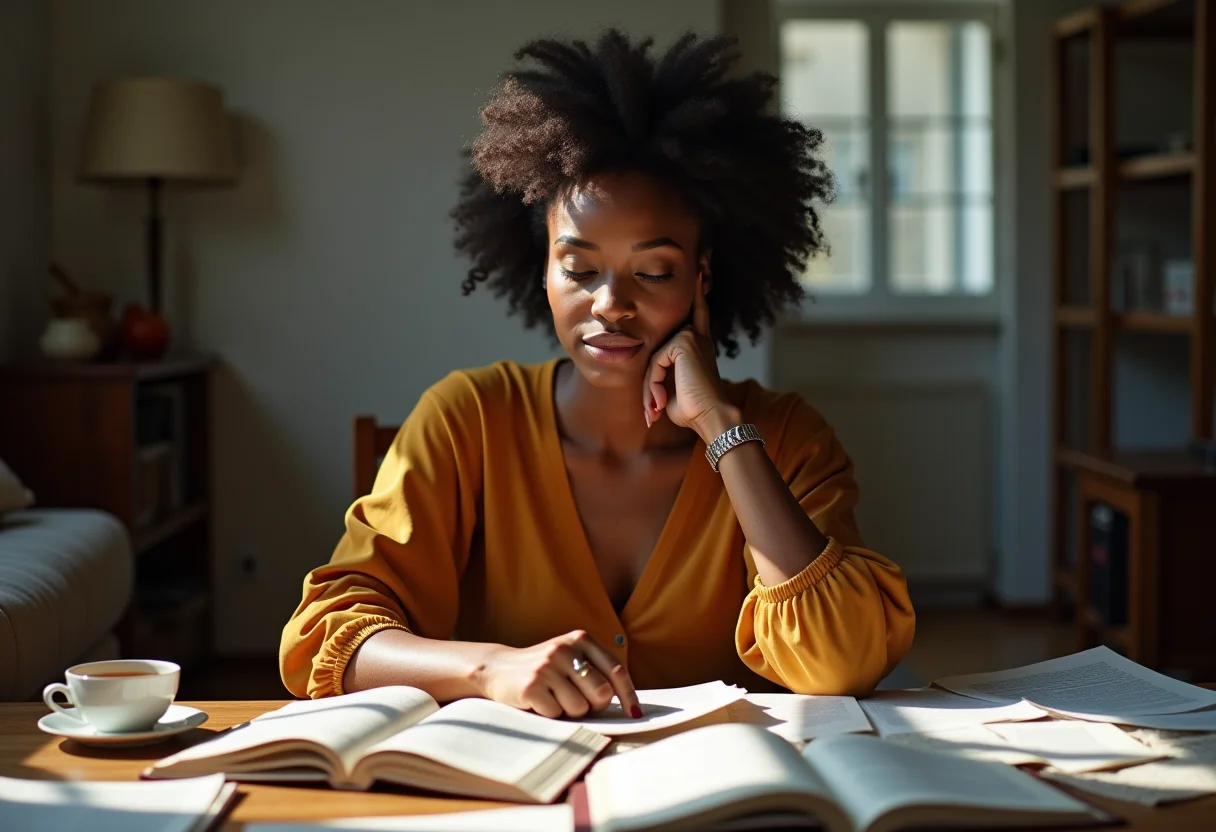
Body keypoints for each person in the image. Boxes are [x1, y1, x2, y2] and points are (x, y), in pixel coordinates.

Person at [280, 30, 915, 718]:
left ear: (701, 278)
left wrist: (724, 432)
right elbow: (326, 639)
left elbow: (843, 662)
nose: (610, 304)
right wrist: (491, 668)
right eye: (580, 269)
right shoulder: (469, 418)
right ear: (543, 273)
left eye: (653, 271)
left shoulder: (787, 440)